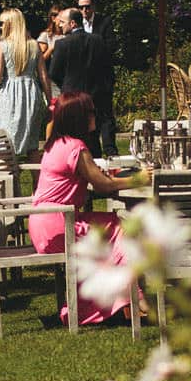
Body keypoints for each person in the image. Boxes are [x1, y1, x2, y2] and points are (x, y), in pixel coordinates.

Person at [29, 93, 150, 326]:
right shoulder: (76, 147)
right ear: (79, 117)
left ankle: (124, 299)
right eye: (91, 112)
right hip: (59, 225)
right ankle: (133, 299)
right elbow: (102, 185)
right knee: (120, 227)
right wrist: (139, 180)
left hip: (44, 224)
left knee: (111, 229)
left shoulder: (56, 144)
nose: (95, 115)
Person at [48, 7, 116, 154]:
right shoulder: (97, 40)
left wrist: (66, 85)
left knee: (73, 138)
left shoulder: (62, 44)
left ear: (72, 23)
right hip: (95, 96)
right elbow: (106, 67)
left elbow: (53, 73)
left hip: (72, 98)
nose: (59, 25)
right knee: (93, 138)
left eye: (62, 22)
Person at [0, 7, 51, 158]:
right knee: (33, 145)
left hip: (9, 94)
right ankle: (38, 182)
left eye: (3, 23)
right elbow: (43, 76)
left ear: (11, 24)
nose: (0, 26)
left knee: (3, 147)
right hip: (31, 92)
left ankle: (5, 181)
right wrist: (50, 100)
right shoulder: (33, 45)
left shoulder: (2, 46)